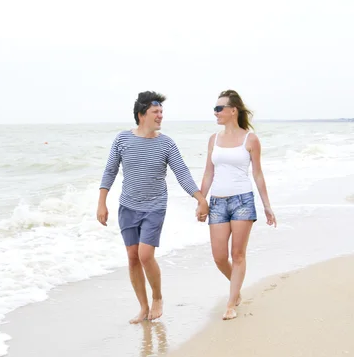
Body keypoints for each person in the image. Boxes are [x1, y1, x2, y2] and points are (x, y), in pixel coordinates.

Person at [97, 91, 209, 324]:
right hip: (127, 206)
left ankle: (157, 298)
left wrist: (199, 198)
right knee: (132, 257)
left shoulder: (166, 143)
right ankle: (143, 307)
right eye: (155, 112)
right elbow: (110, 171)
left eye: (161, 112)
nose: (160, 116)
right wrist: (102, 202)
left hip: (154, 207)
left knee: (145, 255)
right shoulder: (122, 140)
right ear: (141, 115)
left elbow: (182, 172)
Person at [200, 89, 276, 320]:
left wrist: (267, 206)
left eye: (219, 108)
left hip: (243, 200)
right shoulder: (214, 139)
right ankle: (237, 289)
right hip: (217, 203)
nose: (215, 112)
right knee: (219, 256)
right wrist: (201, 201)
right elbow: (208, 174)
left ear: (233, 110)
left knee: (238, 254)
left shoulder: (250, 139)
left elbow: (258, 175)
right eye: (215, 108)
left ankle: (231, 303)